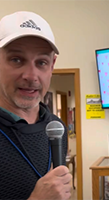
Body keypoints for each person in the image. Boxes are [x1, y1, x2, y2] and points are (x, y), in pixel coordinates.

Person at [0, 11, 71, 200]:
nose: (31, 76)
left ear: (52, 65)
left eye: (41, 62)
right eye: (16, 60)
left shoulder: (56, 128)